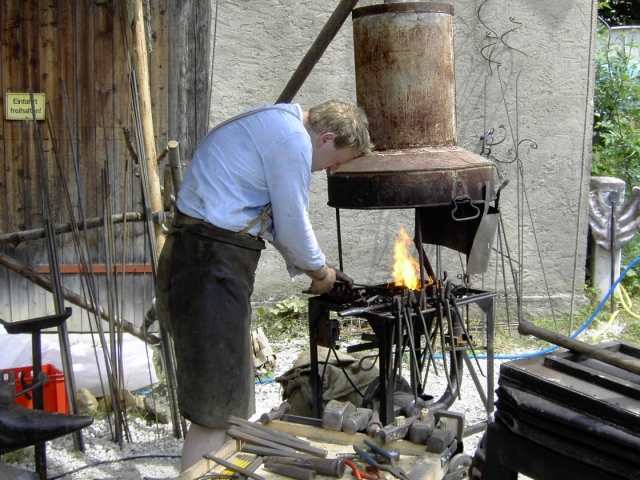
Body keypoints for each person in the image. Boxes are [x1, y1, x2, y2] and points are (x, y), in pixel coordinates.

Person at [156, 100, 372, 471]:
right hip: (210, 264)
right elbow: (292, 222)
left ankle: (215, 470)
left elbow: (271, 223)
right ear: (326, 138)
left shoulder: (275, 124)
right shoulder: (291, 140)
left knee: (226, 398)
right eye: (336, 161)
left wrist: (317, 269)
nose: (330, 170)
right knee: (216, 405)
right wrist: (322, 274)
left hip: (206, 259)